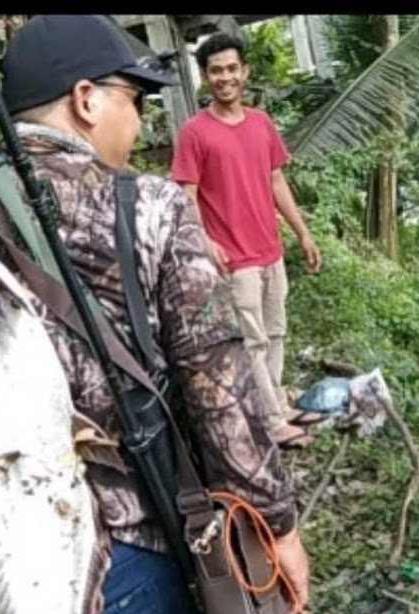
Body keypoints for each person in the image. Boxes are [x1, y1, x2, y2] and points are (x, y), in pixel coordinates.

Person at [0, 15, 310, 614]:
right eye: (133, 100)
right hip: (132, 553)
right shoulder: (149, 206)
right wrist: (277, 526)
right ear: (86, 99)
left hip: (11, 572)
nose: (142, 122)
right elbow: (217, 384)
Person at [171, 32, 324, 449]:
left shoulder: (261, 123)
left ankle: (277, 402)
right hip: (235, 259)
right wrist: (205, 241)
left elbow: (276, 180)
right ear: (205, 77)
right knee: (252, 340)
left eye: (231, 69)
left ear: (245, 72)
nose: (225, 77)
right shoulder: (194, 133)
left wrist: (303, 232)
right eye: (216, 71)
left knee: (276, 331)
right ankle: (270, 421)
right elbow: (186, 194)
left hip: (270, 249)